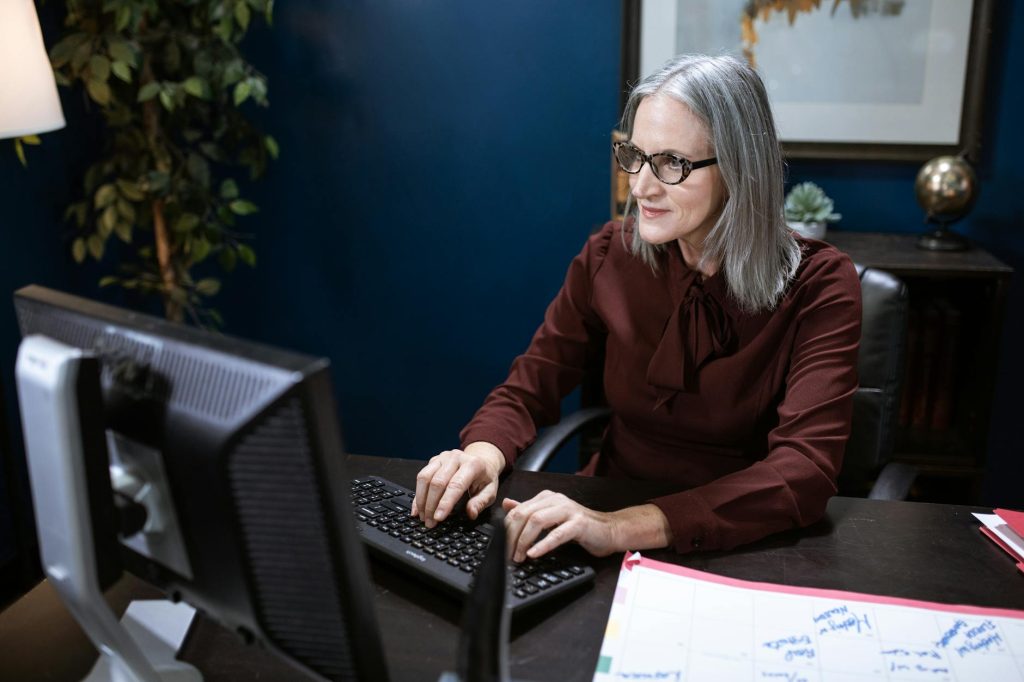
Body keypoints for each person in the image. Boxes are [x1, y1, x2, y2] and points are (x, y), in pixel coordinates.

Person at [411, 54, 861, 563]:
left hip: (733, 537)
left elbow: (803, 470)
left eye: (673, 163)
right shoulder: (609, 255)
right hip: (596, 516)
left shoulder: (820, 284)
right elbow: (530, 387)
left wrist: (621, 528)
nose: (641, 187)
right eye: (635, 156)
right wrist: (481, 455)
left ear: (739, 170)